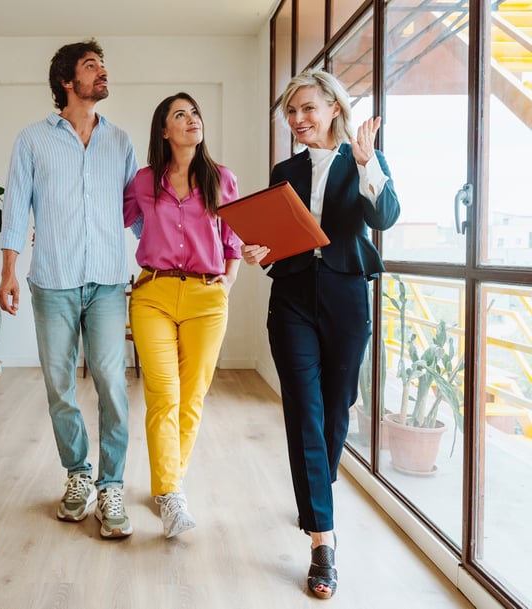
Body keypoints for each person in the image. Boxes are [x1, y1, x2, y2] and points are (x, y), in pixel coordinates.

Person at [241, 69, 400, 598]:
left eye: (307, 108)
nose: (298, 120)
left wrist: (366, 163)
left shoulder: (362, 160)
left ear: (333, 106)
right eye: (291, 112)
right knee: (303, 411)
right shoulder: (285, 167)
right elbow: (277, 233)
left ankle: (317, 490)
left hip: (345, 297)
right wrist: (258, 249)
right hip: (290, 299)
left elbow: (387, 217)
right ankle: (322, 541)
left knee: (337, 408)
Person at [0, 39, 137, 539]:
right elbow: (15, 210)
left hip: (106, 282)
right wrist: (9, 271)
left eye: (102, 65)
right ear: (66, 80)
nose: (102, 73)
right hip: (51, 282)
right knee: (59, 385)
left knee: (111, 383)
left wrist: (176, 255)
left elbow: (135, 213)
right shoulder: (32, 139)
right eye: (91, 66)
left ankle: (112, 483)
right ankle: (78, 475)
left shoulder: (120, 141)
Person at [124, 92, 242, 539]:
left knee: (192, 397)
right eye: (180, 115)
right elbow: (112, 217)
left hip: (206, 298)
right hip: (152, 292)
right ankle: (172, 494)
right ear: (164, 130)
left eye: (195, 112)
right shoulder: (143, 180)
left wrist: (227, 282)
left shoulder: (220, 178)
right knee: (162, 393)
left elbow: (233, 237)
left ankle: (166, 486)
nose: (191, 119)